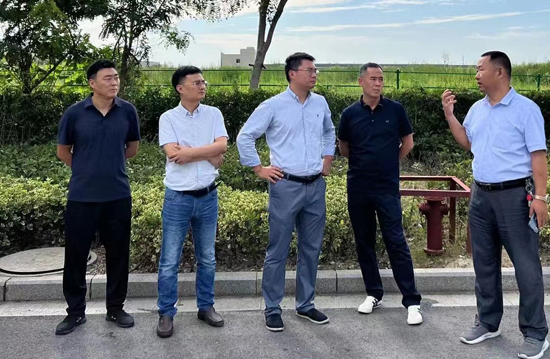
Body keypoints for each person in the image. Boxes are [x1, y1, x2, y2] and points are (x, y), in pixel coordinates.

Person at [442, 51, 550, 359]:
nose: (476, 75)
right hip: (481, 196)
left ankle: (535, 333)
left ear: (500, 72)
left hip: (515, 197)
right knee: (484, 263)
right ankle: (488, 322)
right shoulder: (477, 109)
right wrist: (450, 115)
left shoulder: (526, 109)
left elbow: (538, 155)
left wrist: (540, 198)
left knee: (526, 266)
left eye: (480, 69)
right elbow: (468, 143)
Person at [236, 52, 336, 332]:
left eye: (315, 70)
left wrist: (327, 158)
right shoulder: (273, 105)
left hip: (315, 185)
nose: (314, 74)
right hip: (285, 186)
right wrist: (259, 168)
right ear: (292, 74)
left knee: (311, 249)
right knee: (278, 249)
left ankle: (305, 304)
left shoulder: (320, 103)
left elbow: (329, 131)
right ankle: (272, 307)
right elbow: (245, 136)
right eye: (309, 70)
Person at [55, 59, 140, 335]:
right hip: (81, 196)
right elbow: (63, 151)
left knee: (118, 254)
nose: (114, 82)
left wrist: (108, 167)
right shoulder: (75, 113)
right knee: (76, 255)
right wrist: (86, 169)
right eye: (108, 78)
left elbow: (132, 148)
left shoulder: (127, 111)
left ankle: (115, 308)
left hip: (117, 194)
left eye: (116, 77)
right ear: (92, 83)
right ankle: (75, 313)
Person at [338, 62, 423, 325]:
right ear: (361, 81)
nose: (378, 83)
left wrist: (388, 162)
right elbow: (344, 147)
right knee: (364, 242)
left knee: (396, 241)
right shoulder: (349, 114)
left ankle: (412, 301)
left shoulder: (395, 110)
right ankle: (373, 293)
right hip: (358, 187)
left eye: (381, 79)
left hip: (387, 187)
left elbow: (407, 142)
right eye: (373, 79)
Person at [155, 66, 228, 338]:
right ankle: (166, 312)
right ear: (180, 88)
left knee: (207, 258)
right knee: (169, 260)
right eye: (196, 82)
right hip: (178, 198)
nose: (202, 85)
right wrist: (209, 153)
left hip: (208, 195)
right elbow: (173, 154)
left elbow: (222, 146)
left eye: (203, 81)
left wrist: (192, 152)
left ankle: (205, 307)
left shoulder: (214, 114)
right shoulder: (168, 118)